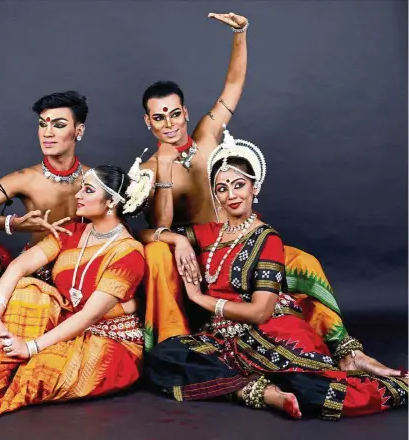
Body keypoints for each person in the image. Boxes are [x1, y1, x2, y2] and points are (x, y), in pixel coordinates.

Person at [138, 13, 401, 378]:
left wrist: (241, 34)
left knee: (304, 262)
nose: (168, 124)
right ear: (147, 123)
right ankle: (181, 353)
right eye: (159, 118)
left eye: (174, 114)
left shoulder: (206, 135)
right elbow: (153, 229)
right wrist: (166, 174)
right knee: (157, 252)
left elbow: (233, 84)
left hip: (242, 244)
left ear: (186, 113)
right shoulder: (149, 169)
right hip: (200, 255)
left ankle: (346, 351)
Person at [142, 127, 408, 420]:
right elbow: (147, 233)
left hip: (273, 332)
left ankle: (395, 383)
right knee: (161, 359)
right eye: (221, 188)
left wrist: (198, 298)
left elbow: (260, 312)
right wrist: (178, 240)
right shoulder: (210, 234)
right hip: (221, 339)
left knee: (312, 391)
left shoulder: (267, 239)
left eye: (239, 185)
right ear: (215, 195)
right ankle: (253, 390)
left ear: (254, 188)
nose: (231, 195)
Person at [0, 159, 154, 418]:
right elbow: (19, 267)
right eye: (81, 187)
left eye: (88, 190)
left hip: (107, 340)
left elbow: (90, 315)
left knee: (38, 373)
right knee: (28, 289)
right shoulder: (71, 231)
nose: (78, 194)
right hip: (65, 320)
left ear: (111, 202)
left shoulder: (128, 252)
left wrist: (31, 348)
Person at [0, 91, 90, 323]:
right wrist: (12, 223)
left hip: (81, 272)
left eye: (59, 125)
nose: (47, 133)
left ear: (78, 131)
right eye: (42, 125)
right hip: (36, 272)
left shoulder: (95, 179)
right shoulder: (24, 179)